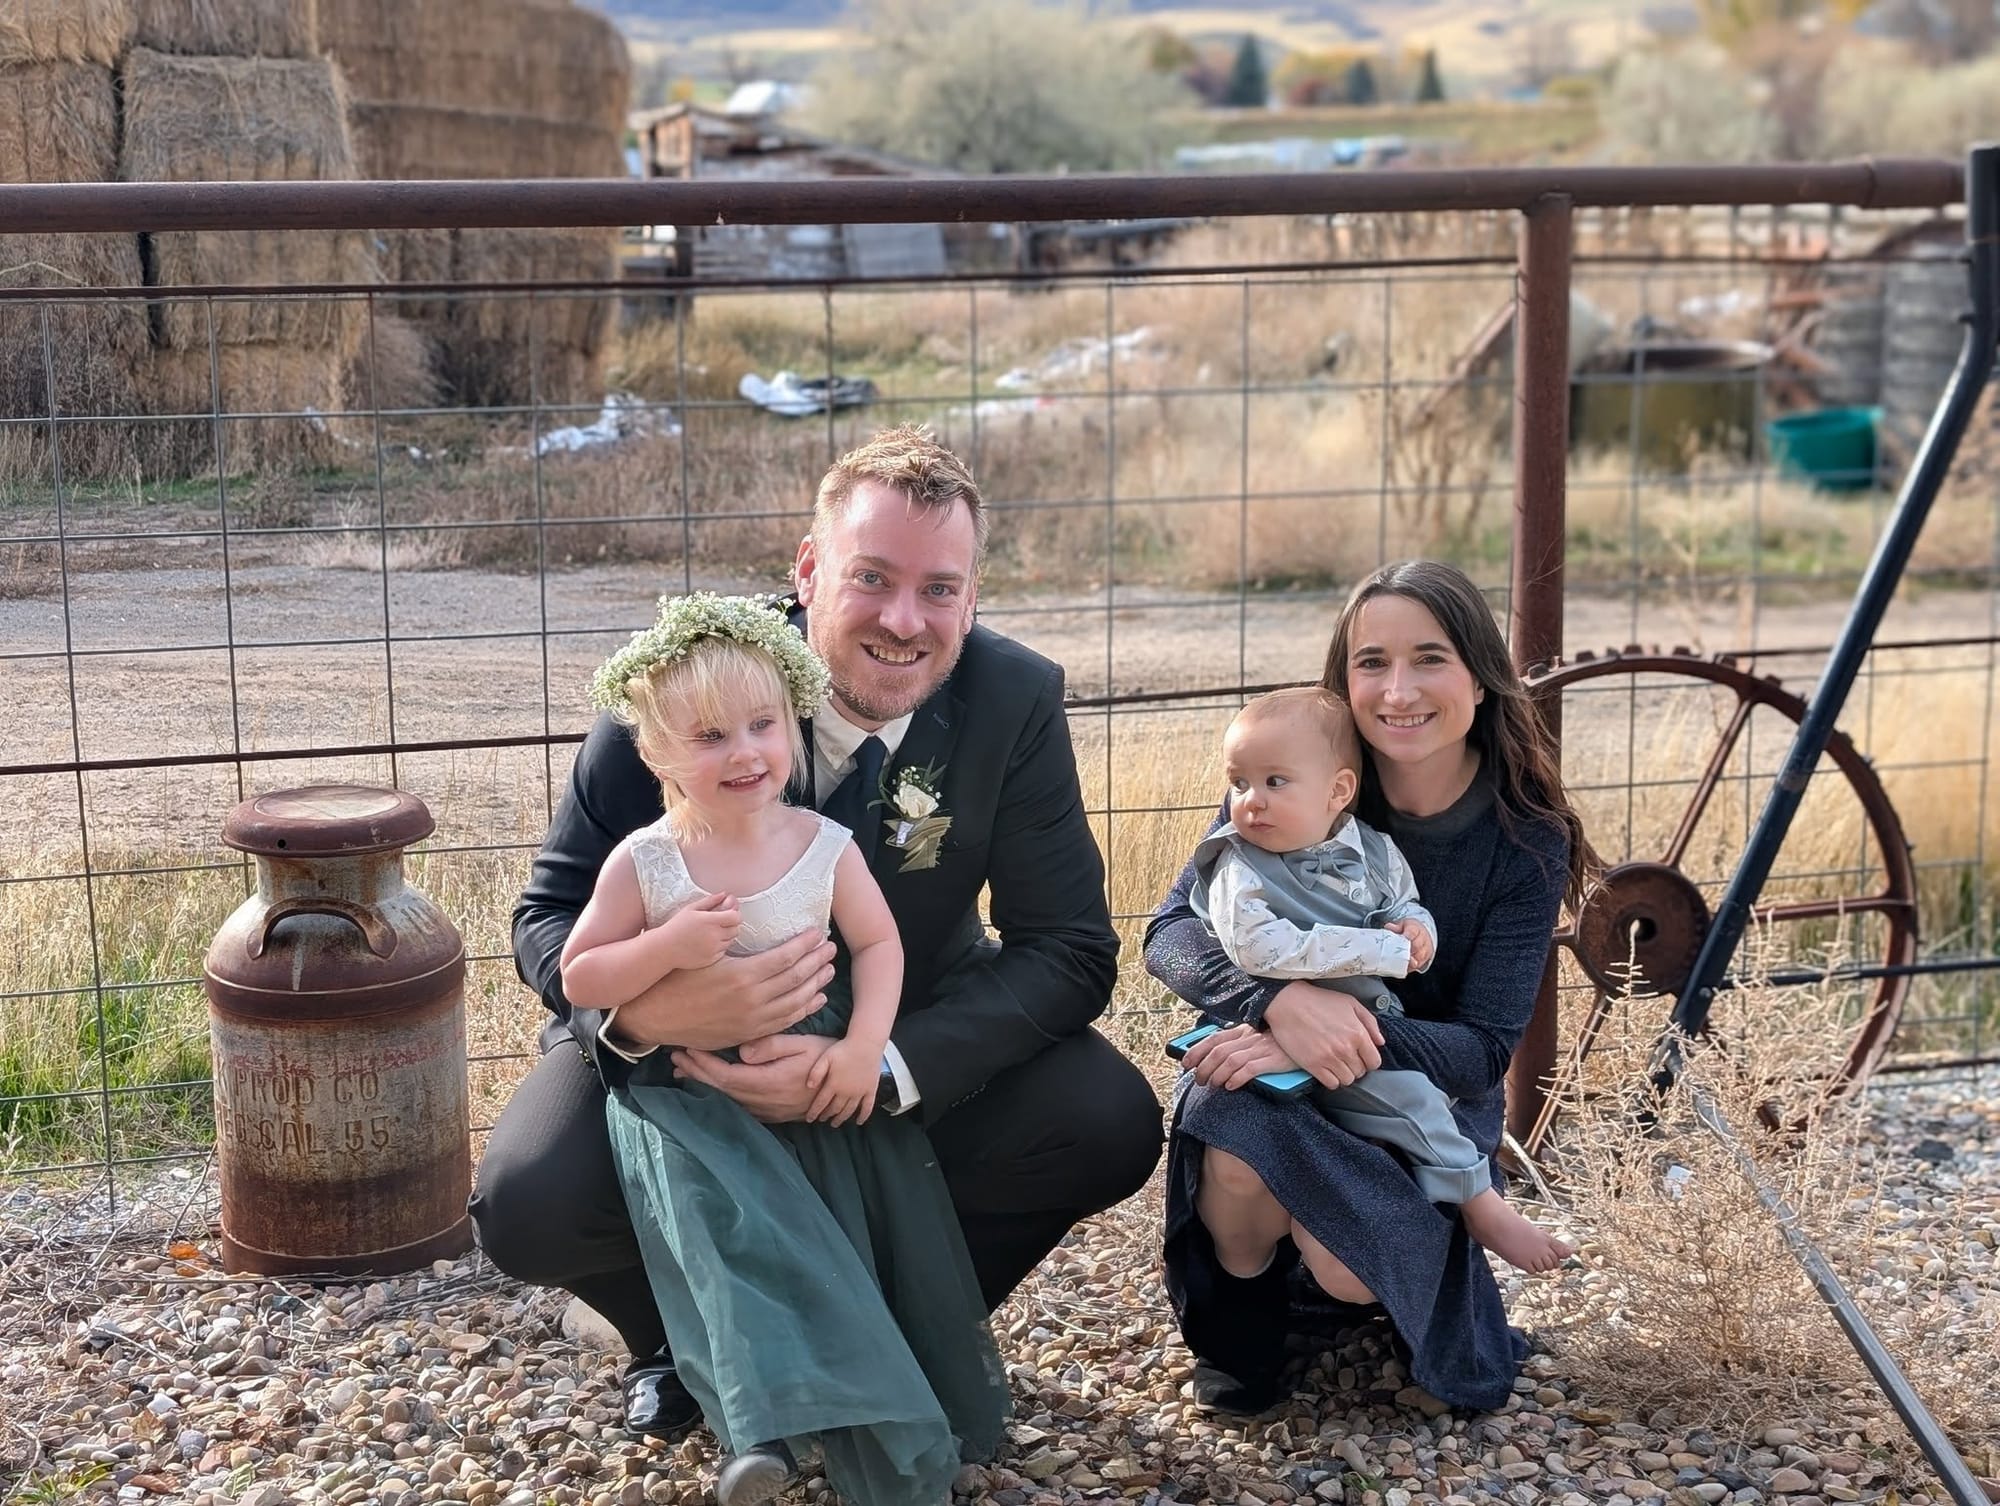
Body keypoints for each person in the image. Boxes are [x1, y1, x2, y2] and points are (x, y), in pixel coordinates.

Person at [469, 424, 1164, 1441]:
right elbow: (547, 916)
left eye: (938, 588)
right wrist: (645, 1014)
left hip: (892, 1026)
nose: (902, 619)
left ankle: (895, 1324)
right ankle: (675, 1340)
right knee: (528, 1201)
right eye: (870, 578)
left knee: (1106, 1118)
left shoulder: (1012, 702)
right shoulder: (684, 694)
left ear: (971, 594)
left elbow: (1067, 950)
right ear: (805, 571)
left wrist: (878, 1061)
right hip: (674, 1067)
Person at [560, 594, 1006, 1506]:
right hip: (685, 1098)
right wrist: (661, 952)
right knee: (730, 1242)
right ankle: (755, 1433)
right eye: (709, 736)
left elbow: (881, 947)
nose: (744, 752)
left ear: (790, 723)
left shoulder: (822, 845)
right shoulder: (644, 863)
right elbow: (580, 973)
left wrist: (864, 1053)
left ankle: (883, 1408)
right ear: (656, 753)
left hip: (821, 1069)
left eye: (762, 725)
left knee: (834, 1242)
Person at [1147, 559, 1596, 1416]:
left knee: (1349, 1267)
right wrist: (1275, 1006)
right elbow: (1169, 935)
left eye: (1430, 658)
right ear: (1342, 678)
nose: (1398, 690)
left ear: (1479, 673)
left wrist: (1340, 1029)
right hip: (1263, 1053)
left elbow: (1484, 1051)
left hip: (1423, 1083)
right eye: (1371, 662)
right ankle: (1242, 1333)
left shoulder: (1524, 842)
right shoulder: (1287, 779)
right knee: (1238, 1140)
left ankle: (1373, 1288)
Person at [1185, 686, 1569, 1276]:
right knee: (1407, 1101)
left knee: (1401, 1118)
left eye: (1272, 784)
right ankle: (1479, 1201)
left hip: (1367, 1030)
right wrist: (1381, 951)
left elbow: (1405, 902)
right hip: (1268, 1032)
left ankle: (1374, 1290)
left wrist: (1418, 930)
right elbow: (1256, 946)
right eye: (1238, 784)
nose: (1250, 801)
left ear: (1338, 791)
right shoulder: (1239, 858)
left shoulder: (1371, 846)